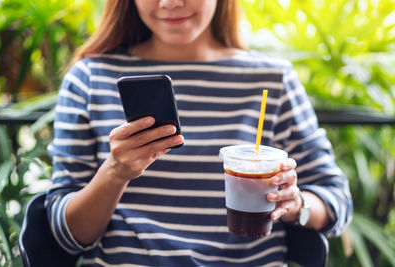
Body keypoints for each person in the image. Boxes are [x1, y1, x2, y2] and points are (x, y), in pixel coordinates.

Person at [46, 0, 353, 266]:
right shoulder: (89, 78)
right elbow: (67, 234)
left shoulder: (273, 79)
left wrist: (295, 204)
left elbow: (337, 199)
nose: (169, 3)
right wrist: (114, 173)